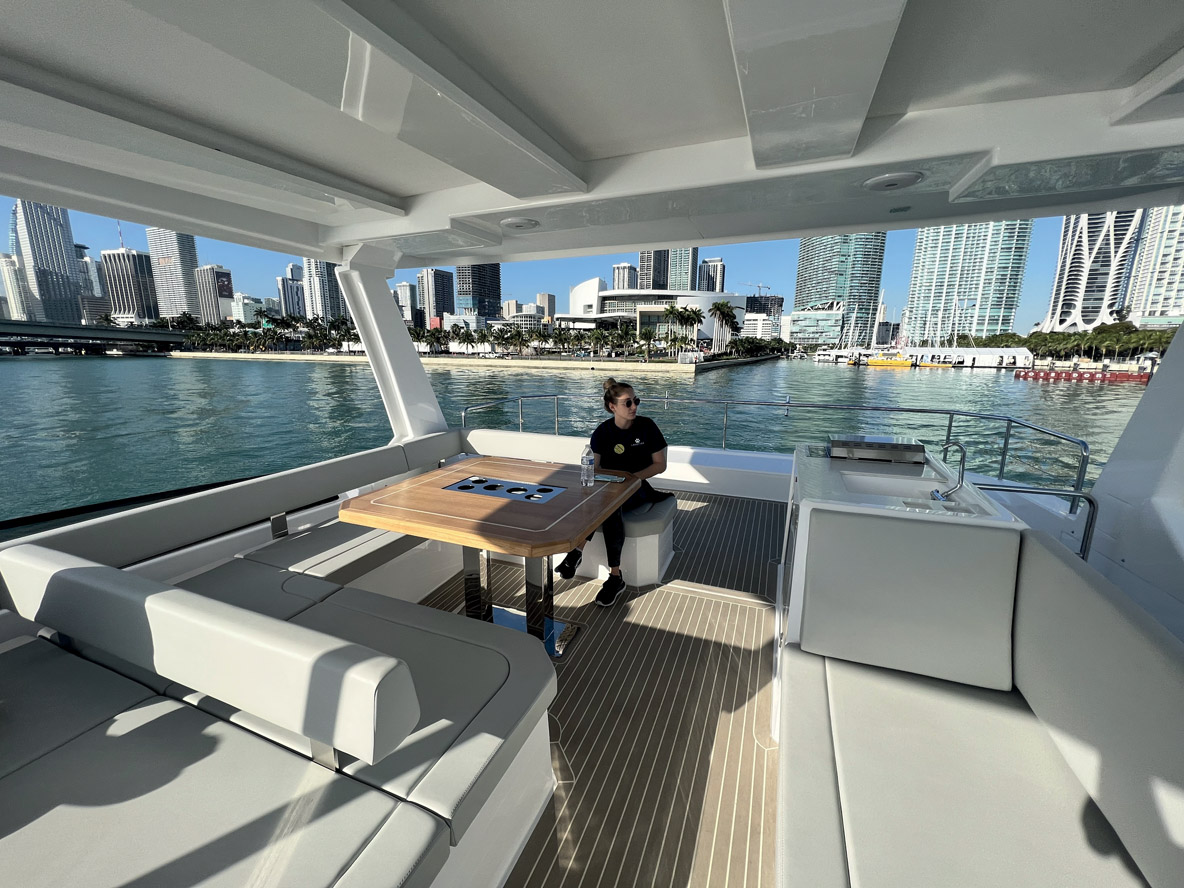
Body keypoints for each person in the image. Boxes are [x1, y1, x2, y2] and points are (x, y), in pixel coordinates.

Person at [555, 378, 673, 606]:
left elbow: (660, 465)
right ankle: (609, 574)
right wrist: (611, 484)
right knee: (601, 502)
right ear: (612, 407)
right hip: (608, 488)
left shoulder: (647, 426)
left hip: (637, 487)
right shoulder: (602, 432)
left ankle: (593, 563)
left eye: (636, 401)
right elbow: (594, 468)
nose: (634, 407)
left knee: (610, 506)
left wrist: (630, 480)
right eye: (627, 403)